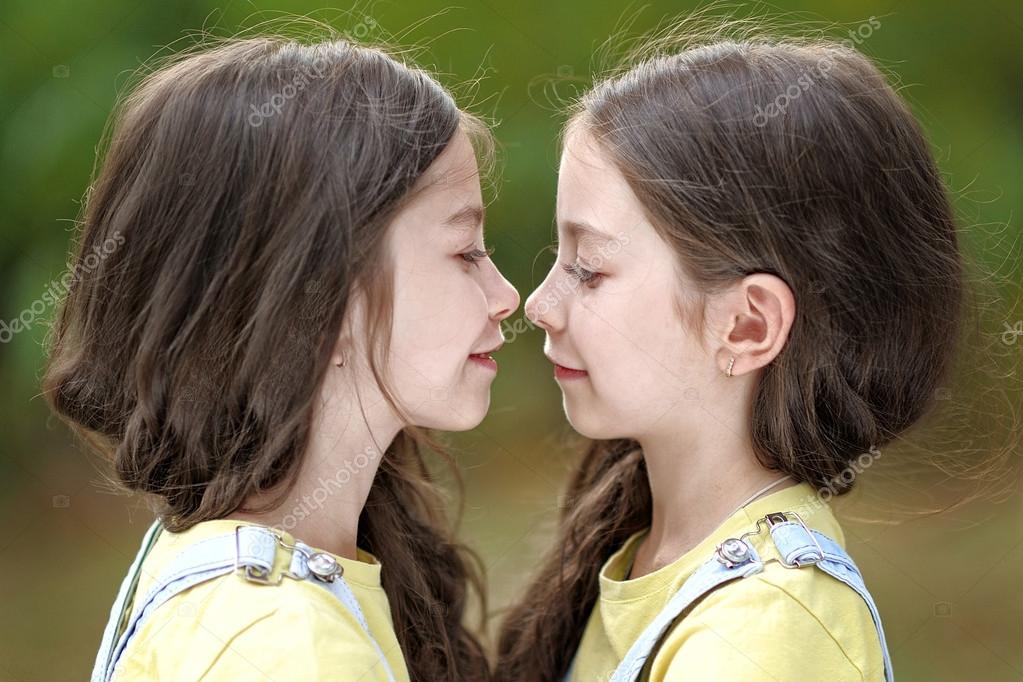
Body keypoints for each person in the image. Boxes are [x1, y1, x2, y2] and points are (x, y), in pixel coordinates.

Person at [42, 33, 518, 682]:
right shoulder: (286, 645)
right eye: (465, 251)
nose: (506, 296)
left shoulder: (237, 578)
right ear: (322, 293)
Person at [497, 32, 967, 682]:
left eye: (587, 268)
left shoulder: (769, 628)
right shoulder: (641, 551)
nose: (538, 305)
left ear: (747, 325)